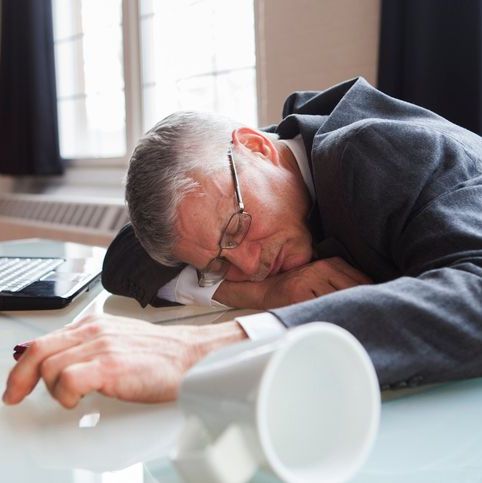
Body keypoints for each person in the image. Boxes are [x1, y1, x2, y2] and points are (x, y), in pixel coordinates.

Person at [3, 77, 482, 409]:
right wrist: (265, 293)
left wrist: (207, 349)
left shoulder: (385, 152)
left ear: (257, 146)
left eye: (236, 229)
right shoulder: (245, 172)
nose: (249, 264)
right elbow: (124, 258)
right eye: (218, 261)